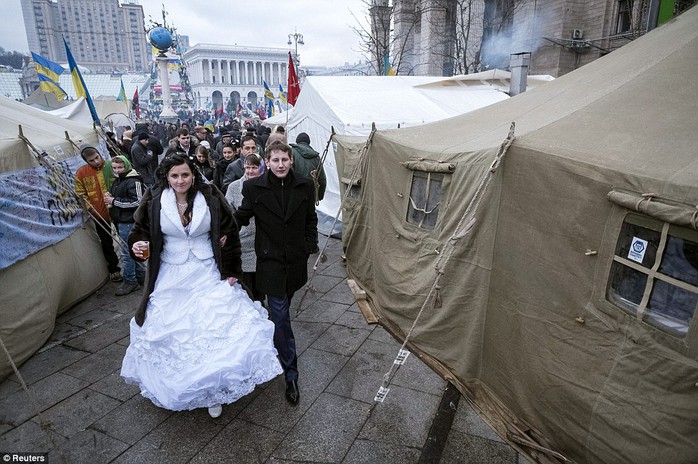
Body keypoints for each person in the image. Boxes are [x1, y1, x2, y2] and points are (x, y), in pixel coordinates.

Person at [121, 154, 282, 417]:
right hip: (170, 273)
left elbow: (229, 232)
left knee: (212, 330)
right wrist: (138, 244)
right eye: (174, 176)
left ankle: (213, 392)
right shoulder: (154, 198)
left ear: (192, 174)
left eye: (185, 175)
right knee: (175, 333)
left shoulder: (209, 195)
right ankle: (181, 385)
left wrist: (231, 269)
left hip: (207, 269)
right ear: (167, 177)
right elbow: (139, 230)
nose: (180, 180)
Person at [233, 141, 318, 405]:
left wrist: (308, 246)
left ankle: (270, 336)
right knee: (281, 316)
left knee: (281, 310)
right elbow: (242, 215)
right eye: (275, 160)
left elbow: (310, 218)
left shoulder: (305, 185)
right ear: (266, 163)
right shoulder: (253, 187)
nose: (280, 164)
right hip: (269, 261)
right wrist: (221, 234)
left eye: (284, 160)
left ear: (291, 161)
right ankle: (291, 374)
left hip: (294, 261)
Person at [74, 144, 121, 281]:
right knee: (106, 242)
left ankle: (135, 268)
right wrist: (89, 208)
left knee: (126, 236)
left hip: (118, 209)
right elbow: (81, 194)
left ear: (100, 154)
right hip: (98, 213)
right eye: (91, 160)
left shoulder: (112, 166)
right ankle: (114, 269)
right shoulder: (81, 173)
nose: (96, 162)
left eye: (97, 158)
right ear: (86, 161)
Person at [103, 155, 145, 295]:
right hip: (121, 220)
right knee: (132, 251)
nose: (117, 170)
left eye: (120, 167)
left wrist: (114, 200)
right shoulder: (118, 181)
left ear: (126, 166)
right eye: (114, 168)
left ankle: (130, 281)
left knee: (126, 253)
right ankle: (140, 275)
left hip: (129, 221)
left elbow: (138, 202)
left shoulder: (132, 181)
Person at [225, 153, 264, 301]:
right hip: (244, 244)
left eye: (254, 167)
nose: (250, 171)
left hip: (263, 242)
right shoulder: (234, 187)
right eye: (247, 167)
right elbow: (228, 214)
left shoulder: (267, 185)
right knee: (247, 287)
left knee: (261, 286)